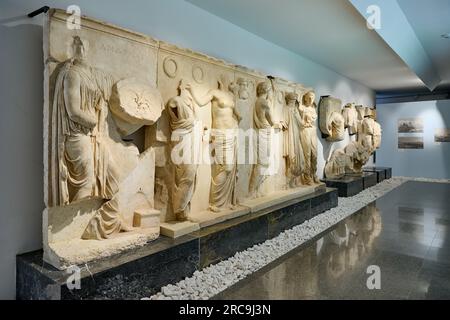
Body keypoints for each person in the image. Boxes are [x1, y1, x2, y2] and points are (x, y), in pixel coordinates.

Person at [187, 76, 242, 212]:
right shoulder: (214, 92)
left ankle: (225, 201)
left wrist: (237, 119)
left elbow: (237, 114)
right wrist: (191, 89)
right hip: (220, 133)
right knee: (224, 167)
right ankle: (215, 202)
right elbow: (200, 102)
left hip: (232, 133)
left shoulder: (230, 96)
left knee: (229, 167)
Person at [299, 91, 320, 185]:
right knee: (307, 154)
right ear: (305, 98)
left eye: (313, 97)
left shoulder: (313, 109)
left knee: (314, 154)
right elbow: (298, 120)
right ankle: (307, 177)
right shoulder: (301, 108)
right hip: (305, 130)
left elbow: (313, 118)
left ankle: (314, 174)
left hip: (312, 130)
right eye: (309, 97)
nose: (311, 99)